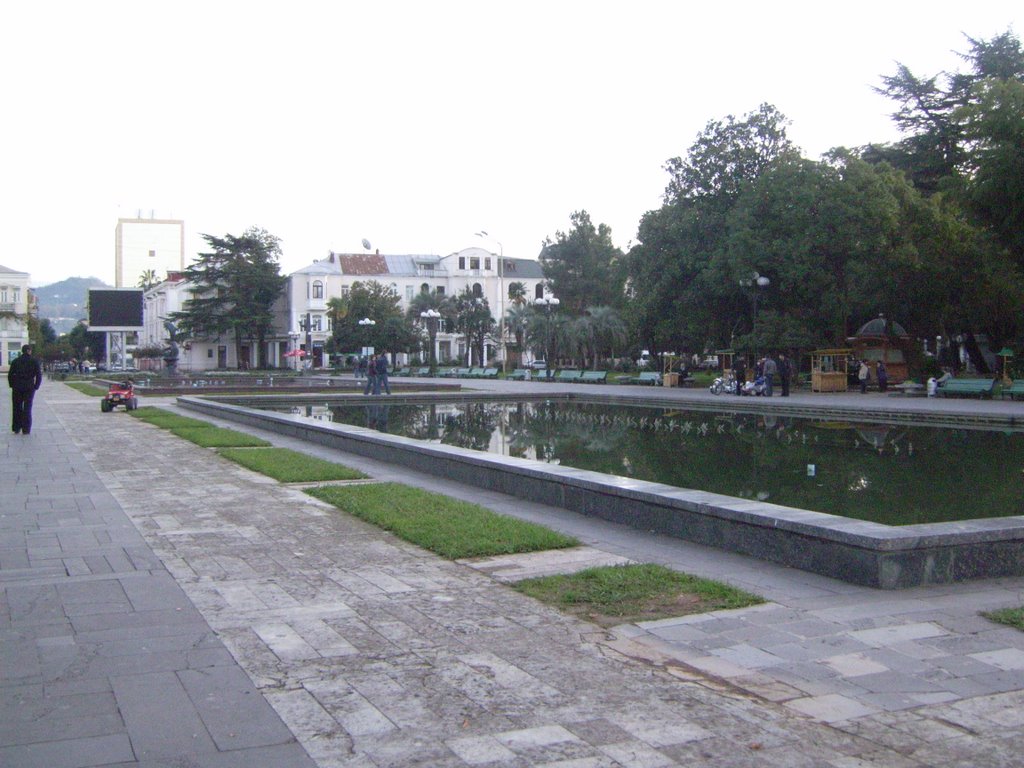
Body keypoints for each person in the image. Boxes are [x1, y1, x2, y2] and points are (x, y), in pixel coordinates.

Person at [8, 344, 43, 435]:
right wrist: (36, 386)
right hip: (29, 386)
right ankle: (26, 428)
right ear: (29, 351)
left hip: (17, 386)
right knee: (27, 407)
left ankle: (16, 427)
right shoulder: (34, 361)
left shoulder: (16, 361)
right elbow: (38, 374)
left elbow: (10, 375)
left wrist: (12, 384)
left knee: (16, 407)